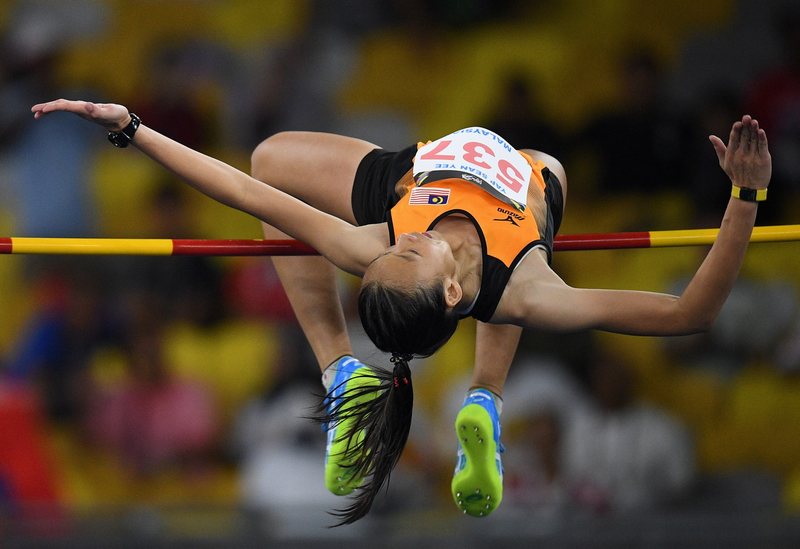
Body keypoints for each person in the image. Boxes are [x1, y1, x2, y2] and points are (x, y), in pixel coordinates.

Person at [31, 99, 772, 525]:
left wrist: (133, 127)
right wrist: (744, 197)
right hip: (527, 188)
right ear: (447, 290)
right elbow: (689, 312)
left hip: (411, 171)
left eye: (395, 250)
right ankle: (484, 396)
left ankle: (341, 373)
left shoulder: (379, 235)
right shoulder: (529, 288)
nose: (407, 239)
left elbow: (246, 192)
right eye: (411, 253)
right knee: (522, 268)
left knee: (270, 158)